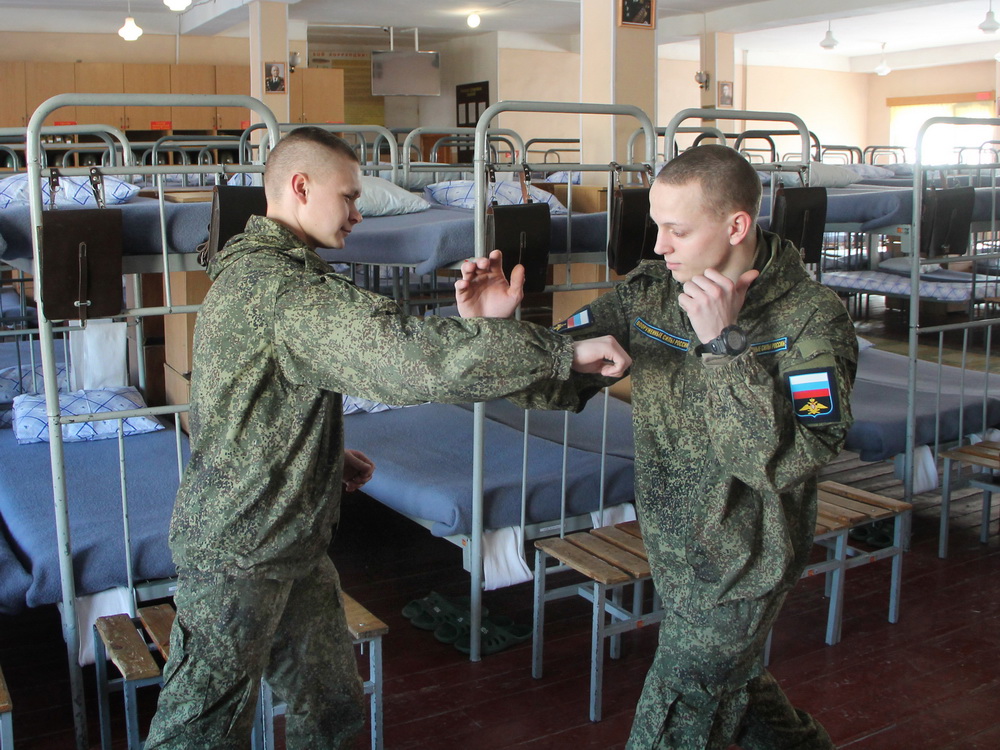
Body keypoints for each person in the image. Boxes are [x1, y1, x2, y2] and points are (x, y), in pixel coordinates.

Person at [144, 126, 630, 749]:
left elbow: (245, 405)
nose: (357, 212)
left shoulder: (254, 274)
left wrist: (321, 456)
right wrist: (560, 353)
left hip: (288, 542)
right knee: (198, 734)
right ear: (300, 187)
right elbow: (412, 357)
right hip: (242, 551)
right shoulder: (283, 291)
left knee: (333, 711)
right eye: (347, 197)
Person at [459, 144, 857, 748]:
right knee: (736, 692)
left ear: (736, 225)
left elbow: (788, 461)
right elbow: (561, 381)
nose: (661, 245)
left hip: (746, 561)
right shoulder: (650, 295)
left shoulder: (810, 319)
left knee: (676, 716)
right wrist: (499, 333)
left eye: (677, 229)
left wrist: (724, 348)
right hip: (674, 547)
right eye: (657, 226)